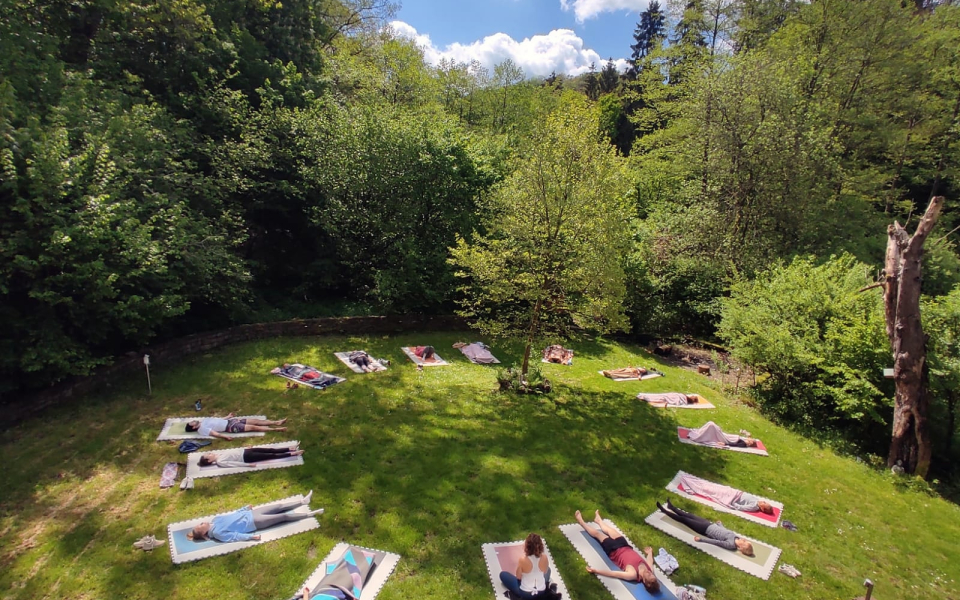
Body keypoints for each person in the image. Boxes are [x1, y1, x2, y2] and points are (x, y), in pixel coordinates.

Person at [575, 510, 661, 593]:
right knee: (611, 531)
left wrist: (596, 571)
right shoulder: (649, 569)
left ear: (646, 582)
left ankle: (581, 522)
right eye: (652, 574)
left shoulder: (633, 575)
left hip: (614, 550)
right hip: (625, 545)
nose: (650, 573)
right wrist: (650, 553)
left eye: (649, 575)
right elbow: (650, 561)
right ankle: (599, 521)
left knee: (598, 534)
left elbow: (614, 574)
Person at [187, 492, 323, 542]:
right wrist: (251, 537)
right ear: (204, 532)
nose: (201, 523)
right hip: (255, 522)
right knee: (283, 516)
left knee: (279, 506)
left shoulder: (215, 520)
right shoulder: (217, 533)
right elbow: (235, 536)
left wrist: (244, 508)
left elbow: (232, 515)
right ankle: (309, 514)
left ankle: (302, 502)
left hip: (251, 513)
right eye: (200, 526)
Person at [656, 500, 755, 556]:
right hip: (709, 524)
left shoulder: (731, 545)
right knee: (689, 515)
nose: (744, 539)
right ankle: (671, 507)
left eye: (745, 542)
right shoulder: (735, 537)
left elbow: (716, 542)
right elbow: (725, 531)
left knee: (684, 519)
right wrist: (720, 525)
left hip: (704, 529)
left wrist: (701, 540)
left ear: (741, 547)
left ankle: (664, 510)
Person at [676, 473, 774, 514]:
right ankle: (691, 480)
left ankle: (690, 483)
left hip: (731, 497)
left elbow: (741, 507)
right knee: (712, 485)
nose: (764, 501)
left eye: (765, 504)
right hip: (732, 492)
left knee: (707, 489)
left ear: (763, 508)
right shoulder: (757, 500)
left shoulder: (754, 507)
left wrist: (731, 503)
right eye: (765, 502)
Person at [499, 533, 552, 599]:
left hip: (525, 593)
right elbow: (545, 571)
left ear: (527, 546)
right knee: (548, 570)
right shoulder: (544, 557)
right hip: (541, 591)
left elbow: (518, 577)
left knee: (503, 574)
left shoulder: (523, 559)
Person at [184, 413, 287, 440]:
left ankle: (276, 422)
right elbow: (213, 433)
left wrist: (228, 416)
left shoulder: (203, 421)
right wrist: (225, 436)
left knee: (255, 421)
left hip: (231, 421)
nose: (193, 421)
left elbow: (217, 420)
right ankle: (277, 429)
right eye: (192, 423)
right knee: (253, 427)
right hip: (230, 428)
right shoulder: (201, 429)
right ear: (193, 427)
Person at [197, 444, 304, 468]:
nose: (211, 453)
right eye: (209, 455)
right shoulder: (220, 461)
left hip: (246, 451)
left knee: (269, 449)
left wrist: (245, 447)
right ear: (209, 461)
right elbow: (234, 464)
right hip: (247, 458)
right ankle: (292, 454)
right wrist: (248, 465)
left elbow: (234, 451)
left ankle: (290, 448)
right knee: (271, 455)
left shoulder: (219, 454)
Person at [687, 421, 759, 448]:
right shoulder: (744, 440)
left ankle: (698, 436)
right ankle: (699, 433)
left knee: (711, 425)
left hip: (725, 439)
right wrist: (747, 433)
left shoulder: (743, 444)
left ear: (750, 443)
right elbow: (749, 435)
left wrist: (725, 444)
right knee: (710, 424)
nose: (749, 438)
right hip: (725, 436)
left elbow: (735, 445)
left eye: (750, 440)